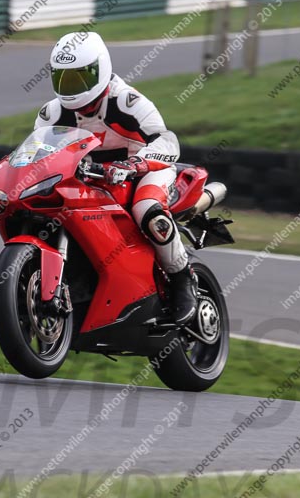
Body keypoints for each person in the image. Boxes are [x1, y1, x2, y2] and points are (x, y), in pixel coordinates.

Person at [34, 31, 198, 324]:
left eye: (79, 78)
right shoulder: (51, 114)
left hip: (145, 173)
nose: (71, 87)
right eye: (63, 79)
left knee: (146, 210)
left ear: (101, 69)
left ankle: (182, 277)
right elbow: (38, 155)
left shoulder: (127, 101)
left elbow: (167, 141)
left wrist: (136, 163)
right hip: (91, 180)